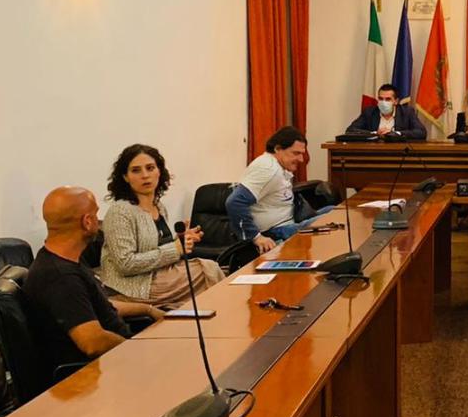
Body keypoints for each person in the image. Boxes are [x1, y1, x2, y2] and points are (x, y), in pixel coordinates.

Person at [24, 186, 163, 378]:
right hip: (104, 374)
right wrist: (136, 351)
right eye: (96, 215)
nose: (99, 221)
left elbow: (94, 304)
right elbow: (93, 342)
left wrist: (148, 309)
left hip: (120, 360)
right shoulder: (60, 278)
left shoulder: (65, 260)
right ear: (87, 222)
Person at [100, 144, 224, 308]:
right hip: (134, 286)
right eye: (136, 170)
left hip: (160, 273)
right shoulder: (120, 212)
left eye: (150, 168)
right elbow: (125, 264)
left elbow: (157, 246)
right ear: (125, 177)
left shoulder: (158, 206)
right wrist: (176, 248)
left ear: (159, 171)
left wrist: (182, 239)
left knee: (208, 267)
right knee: (207, 271)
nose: (145, 175)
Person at [226, 125, 317, 253]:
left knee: (334, 212)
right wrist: (257, 238)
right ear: (278, 149)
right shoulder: (268, 169)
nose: (301, 160)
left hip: (288, 223)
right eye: (296, 153)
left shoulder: (277, 165)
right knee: (333, 221)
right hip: (276, 232)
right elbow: (234, 202)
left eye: (302, 154)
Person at [346, 83, 427, 139]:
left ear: (396, 101)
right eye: (381, 99)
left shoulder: (407, 112)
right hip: (374, 152)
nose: (383, 102)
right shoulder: (370, 112)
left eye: (388, 99)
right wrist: (374, 133)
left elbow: (421, 132)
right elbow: (350, 130)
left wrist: (397, 133)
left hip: (399, 153)